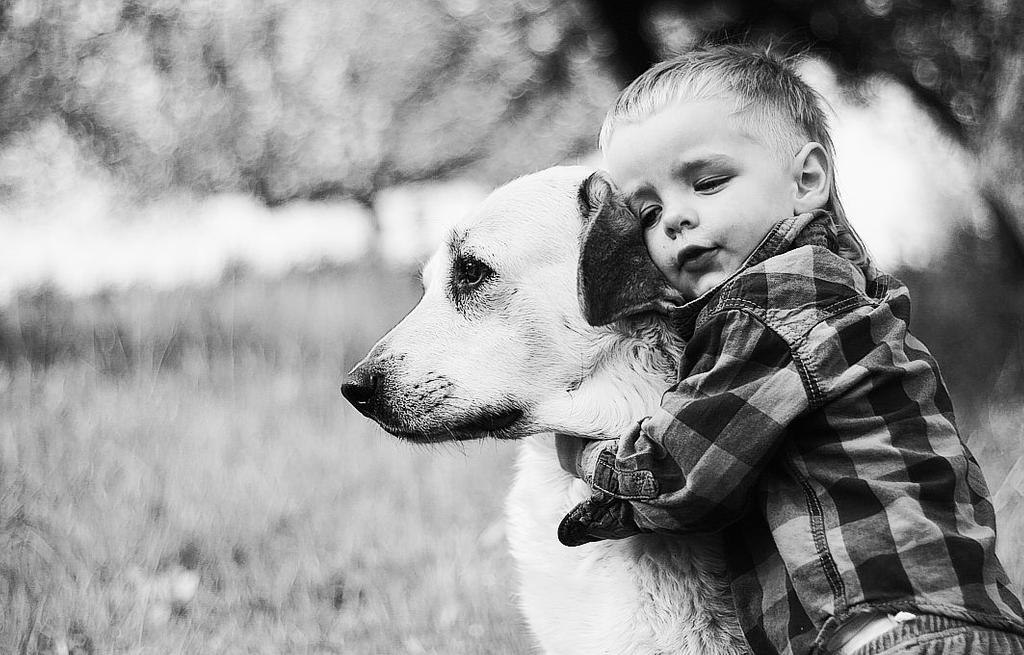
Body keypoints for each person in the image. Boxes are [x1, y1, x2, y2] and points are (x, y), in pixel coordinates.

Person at [557, 44, 1024, 655]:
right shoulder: (843, 295)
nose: (676, 219)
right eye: (647, 213)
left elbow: (683, 477)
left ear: (807, 180)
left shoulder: (773, 312)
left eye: (708, 182)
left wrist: (584, 459)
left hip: (890, 632)